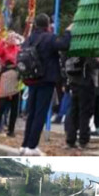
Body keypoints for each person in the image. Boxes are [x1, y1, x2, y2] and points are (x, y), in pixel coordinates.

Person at [19, 13, 72, 156]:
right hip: (46, 79)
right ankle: (32, 146)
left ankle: (24, 144)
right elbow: (64, 45)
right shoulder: (49, 38)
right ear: (48, 25)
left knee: (31, 113)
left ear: (35, 24)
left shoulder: (29, 39)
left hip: (31, 79)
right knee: (40, 113)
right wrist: (68, 32)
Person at [0, 32, 23, 137]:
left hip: (16, 77)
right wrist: (3, 41)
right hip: (5, 76)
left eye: (14, 38)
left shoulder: (18, 50)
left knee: (15, 106)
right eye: (10, 38)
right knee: (1, 105)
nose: (12, 39)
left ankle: (11, 130)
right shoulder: (4, 49)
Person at [64, 54, 95, 149]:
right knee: (84, 114)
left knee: (74, 112)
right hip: (84, 84)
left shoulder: (72, 48)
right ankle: (83, 140)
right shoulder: (86, 51)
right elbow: (92, 65)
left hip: (73, 83)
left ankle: (71, 140)